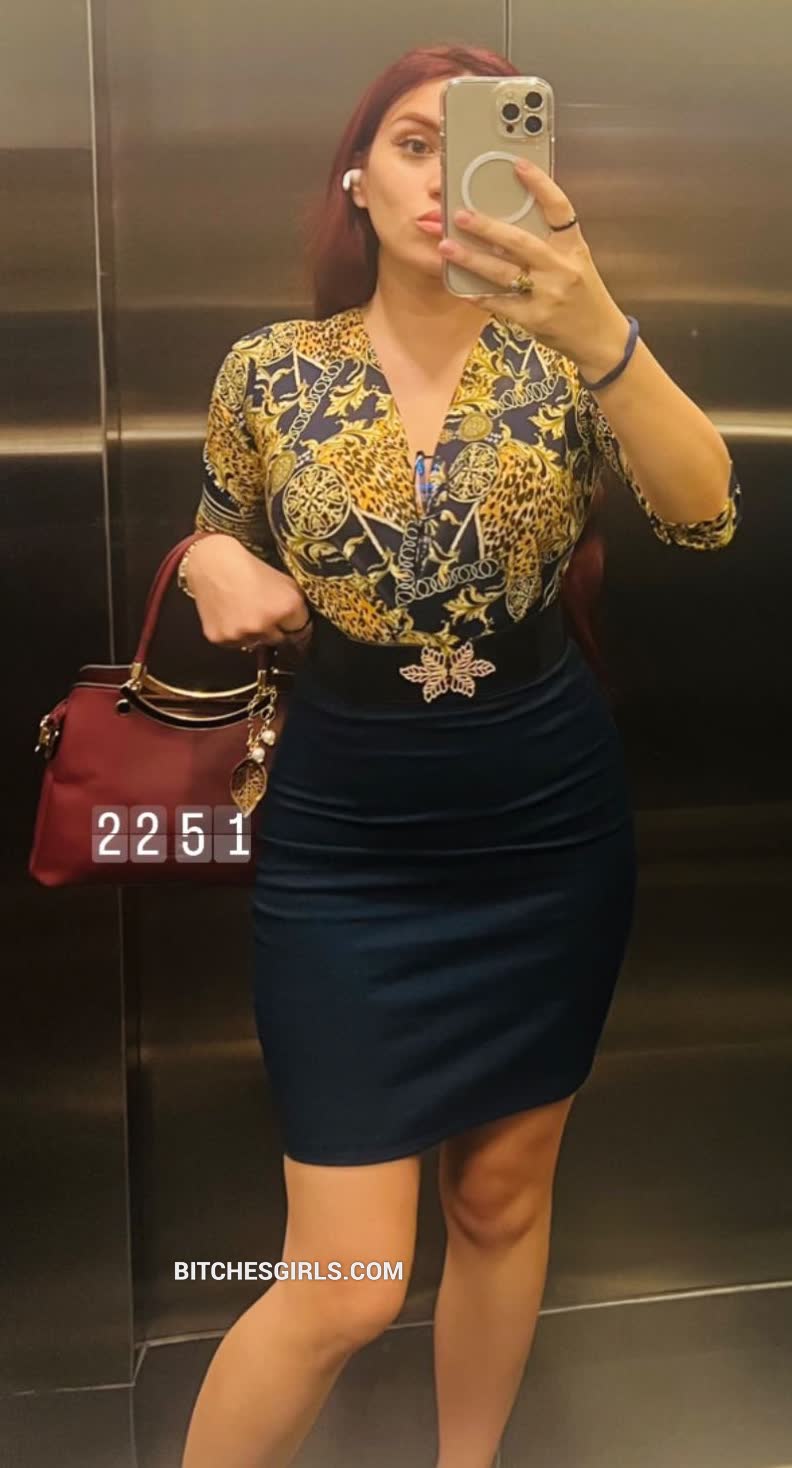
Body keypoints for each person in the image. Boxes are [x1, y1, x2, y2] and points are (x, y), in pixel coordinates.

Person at [178, 41, 741, 1468]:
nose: (442, 174)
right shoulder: (270, 371)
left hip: (545, 822)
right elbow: (217, 527)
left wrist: (606, 332)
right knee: (346, 1283)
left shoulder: (570, 358)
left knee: (499, 1202)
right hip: (346, 839)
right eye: (412, 143)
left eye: (473, 141)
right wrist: (204, 565)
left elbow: (705, 512)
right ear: (355, 183)